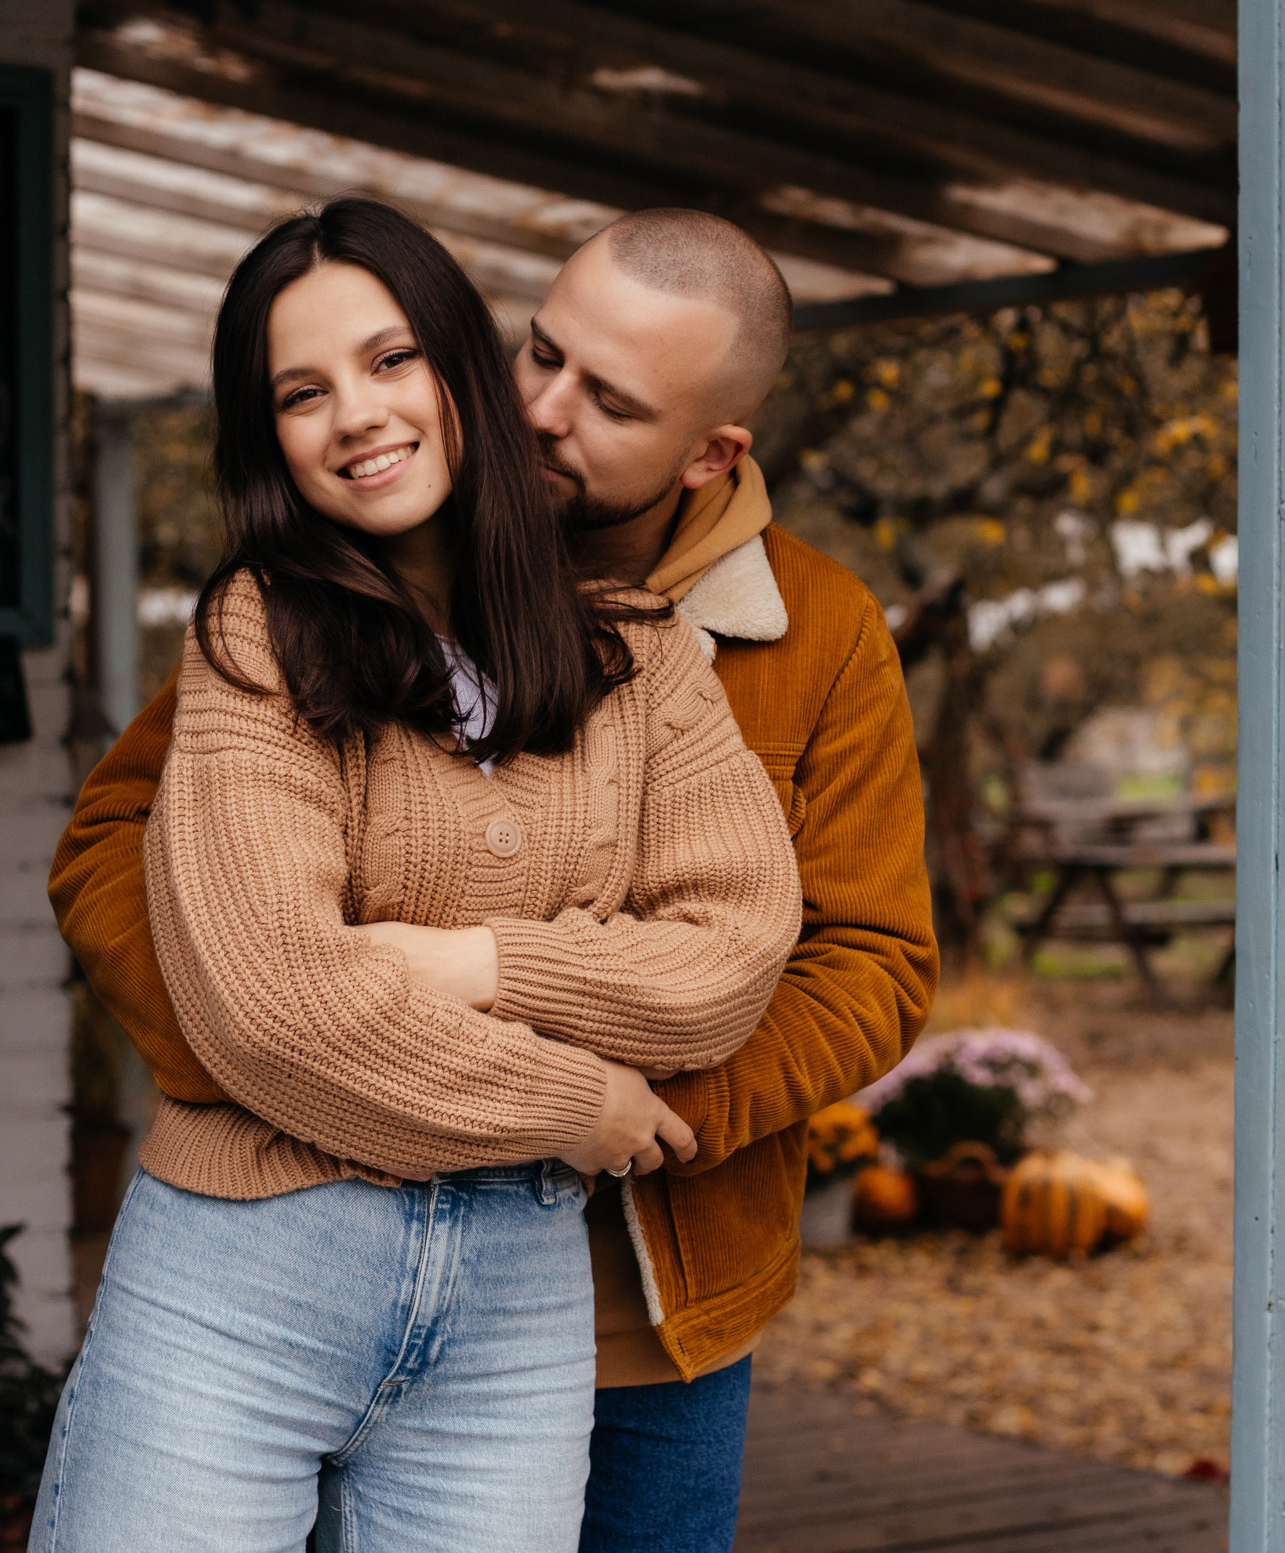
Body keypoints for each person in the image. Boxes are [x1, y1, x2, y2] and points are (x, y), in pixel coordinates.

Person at [49, 207, 940, 1553]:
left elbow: (857, 959)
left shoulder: (798, 636)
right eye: (537, 353)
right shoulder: (296, 604)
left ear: (710, 452)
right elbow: (129, 852)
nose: (536, 409)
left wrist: (626, 1104)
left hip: (639, 1285)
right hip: (289, 1227)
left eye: (607, 400)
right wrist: (280, 1071)